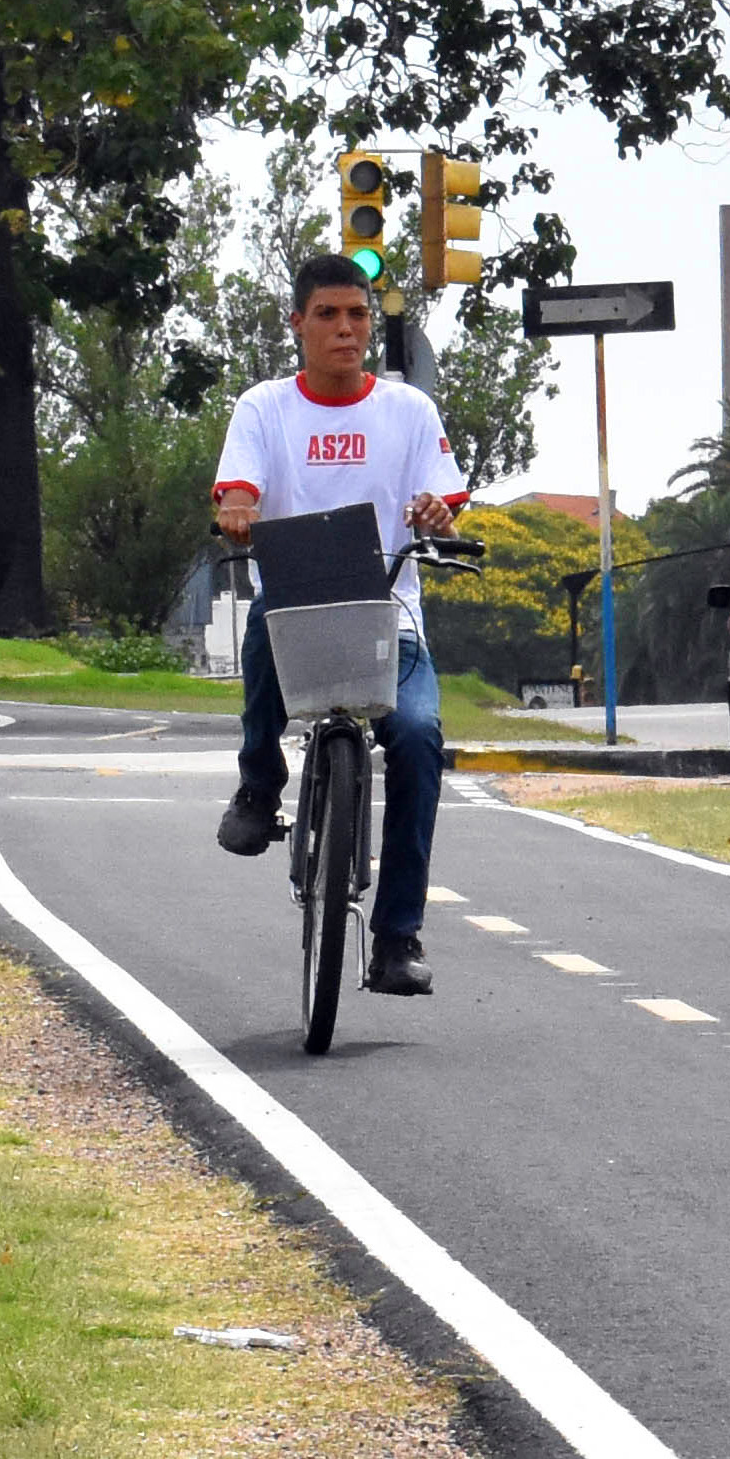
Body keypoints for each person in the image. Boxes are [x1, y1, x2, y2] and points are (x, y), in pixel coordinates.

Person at [212, 254, 469, 995]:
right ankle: (260, 787)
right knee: (263, 618)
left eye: (357, 314)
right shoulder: (264, 408)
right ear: (298, 324)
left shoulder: (408, 412)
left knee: (418, 739)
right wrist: (237, 510)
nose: (346, 329)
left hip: (392, 616)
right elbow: (239, 489)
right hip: (296, 609)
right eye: (327, 314)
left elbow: (445, 513)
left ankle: (396, 939)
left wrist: (437, 518)